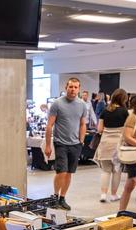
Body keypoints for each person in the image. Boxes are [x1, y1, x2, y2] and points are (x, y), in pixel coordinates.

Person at [44, 77, 88, 210]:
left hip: (75, 144)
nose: (73, 89)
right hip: (60, 143)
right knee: (61, 172)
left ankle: (62, 198)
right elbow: (49, 125)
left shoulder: (82, 105)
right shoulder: (57, 104)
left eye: (75, 87)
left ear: (79, 89)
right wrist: (47, 145)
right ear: (66, 88)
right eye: (71, 87)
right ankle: (55, 197)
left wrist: (81, 141)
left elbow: (82, 124)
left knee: (69, 173)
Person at [95, 88, 128, 203]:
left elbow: (99, 129)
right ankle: (113, 195)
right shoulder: (125, 112)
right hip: (118, 145)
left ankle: (103, 194)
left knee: (105, 171)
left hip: (105, 144)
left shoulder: (105, 111)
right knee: (116, 171)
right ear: (124, 99)